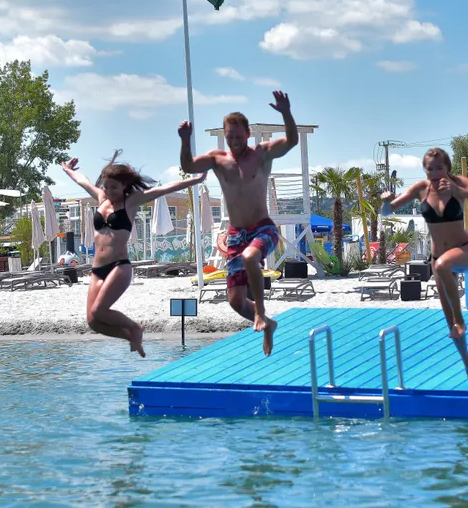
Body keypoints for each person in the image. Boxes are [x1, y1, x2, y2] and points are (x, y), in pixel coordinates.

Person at [179, 91, 298, 357]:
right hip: (235, 234)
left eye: (237, 135)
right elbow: (188, 166)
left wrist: (286, 113)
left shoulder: (262, 154)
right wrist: (185, 140)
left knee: (250, 257)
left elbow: (291, 140)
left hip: (263, 228)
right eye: (229, 135)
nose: (233, 140)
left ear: (248, 133)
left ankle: (260, 311)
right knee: (234, 302)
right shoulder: (217, 160)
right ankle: (268, 325)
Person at [61, 154, 207, 358]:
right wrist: (68, 170)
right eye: (107, 186)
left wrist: (196, 180)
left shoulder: (131, 202)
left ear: (124, 186)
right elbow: (82, 181)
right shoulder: (102, 199)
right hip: (97, 270)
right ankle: (129, 336)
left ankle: (135, 328)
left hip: (119, 266)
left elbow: (163, 189)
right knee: (93, 322)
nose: (110, 191)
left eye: (114, 187)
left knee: (100, 312)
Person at [382, 148, 468, 381]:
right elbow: (387, 212)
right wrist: (385, 202)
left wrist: (457, 190)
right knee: (450, 326)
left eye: (439, 168)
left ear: (448, 167)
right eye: (429, 168)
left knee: (443, 267)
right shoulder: (420, 189)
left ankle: (461, 318)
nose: (434, 173)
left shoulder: (459, 183)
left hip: (464, 250)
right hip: (438, 259)